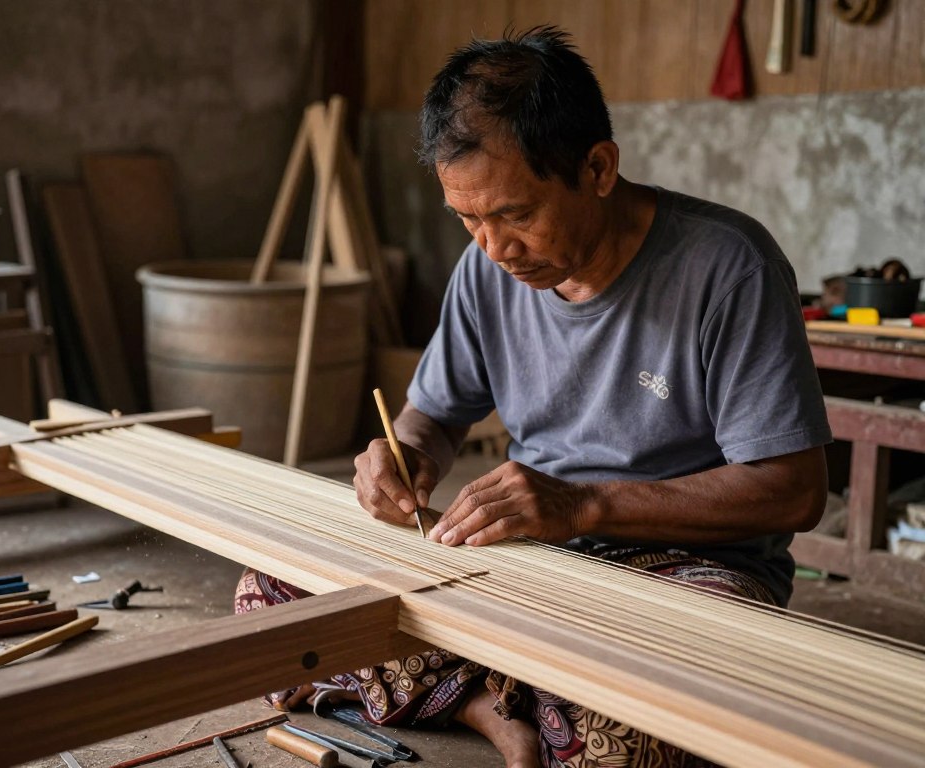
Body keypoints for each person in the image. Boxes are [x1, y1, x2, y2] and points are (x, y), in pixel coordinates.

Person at [235, 26, 831, 768]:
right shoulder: (487, 269)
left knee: (619, 740)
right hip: (523, 555)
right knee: (271, 599)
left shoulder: (725, 268)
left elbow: (794, 491)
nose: (493, 247)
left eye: (516, 214)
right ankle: (495, 707)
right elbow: (431, 416)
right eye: (468, 218)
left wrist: (583, 506)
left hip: (682, 565)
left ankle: (491, 688)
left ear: (598, 168)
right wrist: (404, 454)